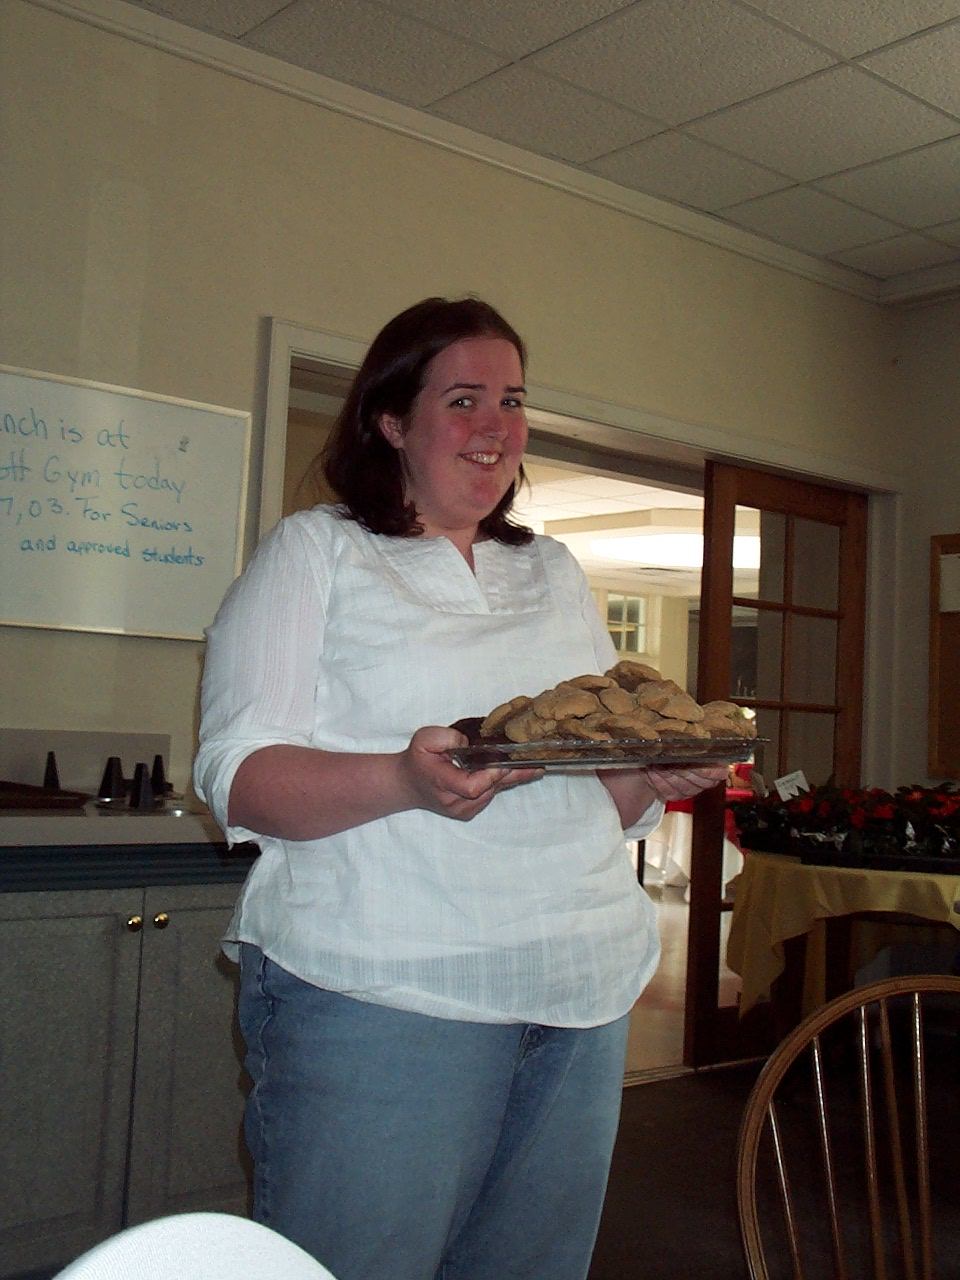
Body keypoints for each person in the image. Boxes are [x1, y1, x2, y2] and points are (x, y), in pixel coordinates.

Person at [193, 296, 727, 1280]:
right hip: (387, 990)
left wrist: (651, 776)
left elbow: (583, 795)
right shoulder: (319, 550)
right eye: (464, 399)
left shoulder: (554, 570)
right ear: (392, 420)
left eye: (512, 400)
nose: (496, 426)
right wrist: (403, 778)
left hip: (581, 991)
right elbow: (239, 777)